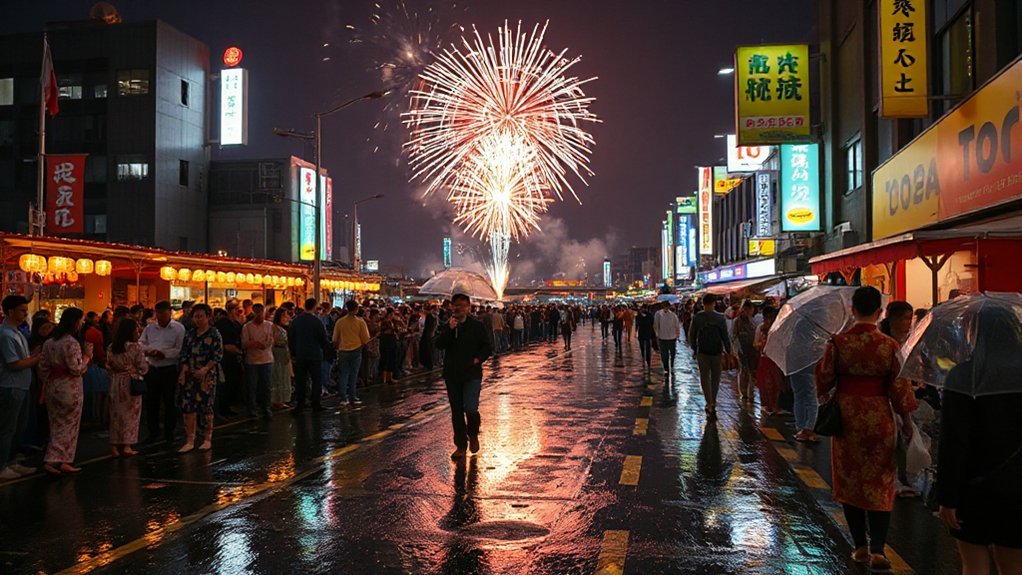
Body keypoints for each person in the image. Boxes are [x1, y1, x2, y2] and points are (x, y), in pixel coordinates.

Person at [815, 286, 918, 571]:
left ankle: (859, 546)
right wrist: (907, 423)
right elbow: (900, 387)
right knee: (880, 480)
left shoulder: (837, 343)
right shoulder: (889, 346)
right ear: (880, 312)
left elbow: (822, 381)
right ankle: (878, 550)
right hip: (879, 417)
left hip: (846, 419)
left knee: (850, 480)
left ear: (852, 310)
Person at [937, 305, 1022, 575]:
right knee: (1013, 566)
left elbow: (953, 442)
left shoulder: (963, 376)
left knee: (974, 564)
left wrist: (946, 497)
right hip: (1018, 484)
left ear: (975, 332)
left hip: (974, 486)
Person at [434, 291, 492, 459]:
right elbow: (439, 344)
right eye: (455, 305)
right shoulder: (447, 325)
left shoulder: (477, 326)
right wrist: (450, 330)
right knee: (456, 412)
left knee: (471, 408)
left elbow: (487, 347)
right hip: (452, 374)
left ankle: (473, 434)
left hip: (472, 373)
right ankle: (460, 446)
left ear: (468, 308)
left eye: (461, 305)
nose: (457, 308)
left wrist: (478, 359)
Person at [39, 307, 92, 475]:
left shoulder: (49, 342)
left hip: (53, 386)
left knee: (55, 423)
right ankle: (57, 459)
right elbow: (76, 368)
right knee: (69, 424)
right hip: (70, 387)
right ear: (75, 322)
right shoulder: (71, 343)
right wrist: (86, 359)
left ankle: (60, 459)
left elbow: (42, 367)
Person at [0, 295, 41, 480]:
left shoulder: (17, 332)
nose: (26, 314)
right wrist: (36, 359)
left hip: (22, 385)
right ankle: (3, 466)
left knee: (18, 427)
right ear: (10, 312)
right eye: (22, 310)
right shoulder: (6, 334)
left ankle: (12, 462)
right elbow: (14, 364)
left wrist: (33, 356)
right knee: (8, 427)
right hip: (11, 385)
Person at [177, 304, 223, 453]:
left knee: (206, 406)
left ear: (208, 316)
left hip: (206, 376)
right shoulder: (190, 334)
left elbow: (217, 355)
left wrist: (205, 369)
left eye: (201, 316)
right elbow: (184, 353)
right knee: (188, 407)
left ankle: (207, 438)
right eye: (195, 316)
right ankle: (190, 439)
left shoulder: (214, 334)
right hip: (190, 374)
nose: (198, 319)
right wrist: (184, 369)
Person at [139, 301, 185, 444]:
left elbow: (179, 349)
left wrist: (164, 354)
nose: (161, 317)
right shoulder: (150, 328)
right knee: (152, 402)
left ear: (169, 313)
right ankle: (153, 432)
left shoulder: (178, 328)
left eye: (164, 314)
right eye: (158, 313)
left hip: (169, 369)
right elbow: (140, 343)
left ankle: (169, 432)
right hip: (153, 368)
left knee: (169, 401)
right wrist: (149, 351)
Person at [106, 316, 148, 457]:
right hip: (130, 382)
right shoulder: (134, 347)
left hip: (115, 382)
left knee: (116, 414)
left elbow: (108, 365)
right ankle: (127, 445)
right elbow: (143, 367)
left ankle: (114, 446)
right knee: (131, 415)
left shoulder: (112, 347)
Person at [687, 295, 731, 418]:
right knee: (716, 378)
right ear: (714, 303)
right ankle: (713, 401)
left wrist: (694, 349)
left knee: (704, 377)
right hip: (717, 352)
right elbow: (725, 336)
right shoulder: (720, 318)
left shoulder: (697, 318)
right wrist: (728, 350)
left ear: (703, 303)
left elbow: (692, 335)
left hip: (702, 352)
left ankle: (708, 402)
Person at [288, 298, 330, 411]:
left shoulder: (296, 321)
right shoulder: (317, 321)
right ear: (314, 306)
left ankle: (300, 403)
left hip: (300, 354)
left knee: (300, 380)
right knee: (316, 379)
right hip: (314, 354)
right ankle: (315, 402)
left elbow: (291, 338)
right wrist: (327, 350)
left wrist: (293, 353)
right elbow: (323, 339)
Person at [333, 300, 371, 407]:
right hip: (356, 349)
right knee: (353, 375)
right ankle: (352, 396)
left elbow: (335, 338)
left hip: (343, 350)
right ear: (356, 309)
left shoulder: (340, 322)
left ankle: (343, 398)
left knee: (343, 374)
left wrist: (338, 347)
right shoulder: (360, 322)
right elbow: (365, 338)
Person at [241, 303, 275, 420]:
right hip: (252, 361)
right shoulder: (247, 327)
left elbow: (270, 341)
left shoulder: (269, 325)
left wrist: (258, 344)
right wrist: (255, 344)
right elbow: (245, 343)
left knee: (266, 386)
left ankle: (266, 408)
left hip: (267, 359)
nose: (260, 315)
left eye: (261, 312)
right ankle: (252, 409)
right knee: (252, 386)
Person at [215, 303, 245, 418]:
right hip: (226, 358)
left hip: (235, 357)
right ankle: (222, 409)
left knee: (233, 383)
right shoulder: (222, 324)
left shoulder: (236, 323)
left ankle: (228, 407)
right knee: (225, 384)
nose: (239, 312)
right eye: (237, 310)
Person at [754, 306, 785, 416]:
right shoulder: (760, 328)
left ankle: (774, 406)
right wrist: (762, 345)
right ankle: (767, 406)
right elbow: (755, 343)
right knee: (766, 384)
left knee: (776, 383)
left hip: (775, 359)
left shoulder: (778, 328)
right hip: (765, 359)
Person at [731, 299, 758, 405]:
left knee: (752, 371)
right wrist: (737, 350)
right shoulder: (737, 321)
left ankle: (750, 393)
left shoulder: (753, 321)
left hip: (752, 350)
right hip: (742, 350)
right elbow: (734, 336)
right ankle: (743, 393)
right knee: (744, 371)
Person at [270, 308, 293, 410]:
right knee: (277, 376)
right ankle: (276, 400)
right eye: (285, 315)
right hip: (277, 354)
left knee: (283, 376)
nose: (287, 318)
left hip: (283, 354)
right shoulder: (273, 328)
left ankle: (282, 399)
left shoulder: (282, 329)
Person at [654, 302, 682, 377]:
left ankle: (671, 366)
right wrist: (657, 335)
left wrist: (677, 335)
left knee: (671, 353)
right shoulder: (658, 314)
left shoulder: (673, 315)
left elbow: (677, 326)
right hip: (663, 337)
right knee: (664, 355)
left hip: (671, 337)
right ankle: (666, 368)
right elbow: (656, 325)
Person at [635, 305, 655, 372]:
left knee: (646, 346)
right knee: (645, 346)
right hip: (645, 333)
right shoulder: (648, 316)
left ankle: (646, 359)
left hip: (645, 333)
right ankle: (645, 358)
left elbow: (637, 324)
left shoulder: (646, 316)